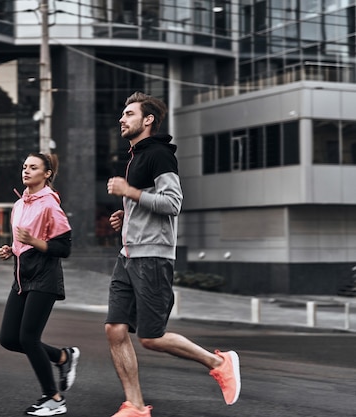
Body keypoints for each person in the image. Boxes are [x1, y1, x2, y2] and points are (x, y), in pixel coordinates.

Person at [104, 92, 241, 417]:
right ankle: (135, 406)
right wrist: (127, 213)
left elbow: (172, 203)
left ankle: (219, 362)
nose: (121, 120)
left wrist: (130, 192)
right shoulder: (137, 156)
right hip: (128, 255)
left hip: (152, 257)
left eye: (128, 114)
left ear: (148, 119)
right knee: (115, 329)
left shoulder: (160, 155)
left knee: (151, 337)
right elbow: (149, 201)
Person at [0, 152, 80, 417]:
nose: (26, 171)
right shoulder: (20, 204)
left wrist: (33, 242)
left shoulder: (50, 205)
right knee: (9, 339)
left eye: (33, 167)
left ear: (46, 174)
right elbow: (25, 241)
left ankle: (54, 398)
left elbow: (63, 248)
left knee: (29, 338)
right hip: (22, 277)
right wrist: (12, 249)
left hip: (45, 277)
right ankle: (63, 357)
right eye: (24, 166)